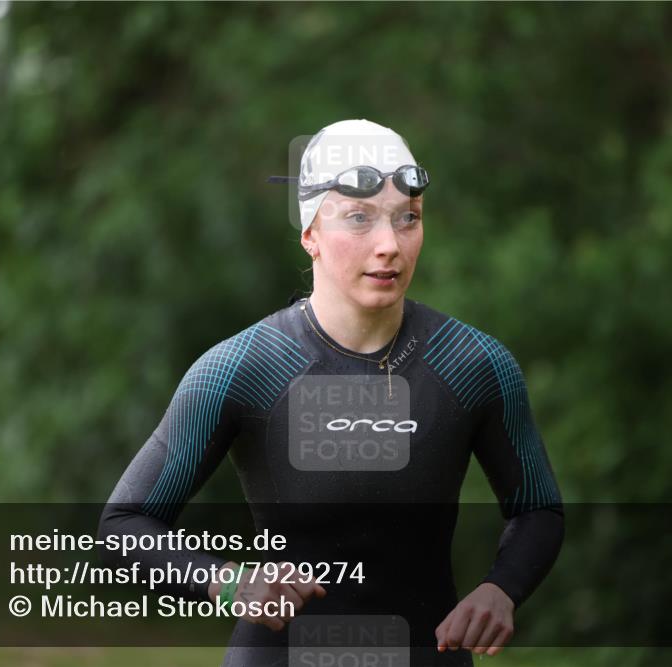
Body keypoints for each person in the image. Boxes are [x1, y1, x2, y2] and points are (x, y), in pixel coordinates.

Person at [99, 119, 565, 666]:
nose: (389, 244)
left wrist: (501, 589)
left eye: (407, 218)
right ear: (310, 234)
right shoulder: (242, 369)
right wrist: (226, 581)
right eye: (359, 219)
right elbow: (123, 527)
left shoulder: (473, 364)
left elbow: (537, 509)